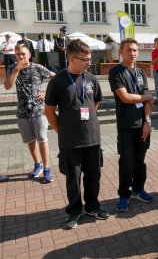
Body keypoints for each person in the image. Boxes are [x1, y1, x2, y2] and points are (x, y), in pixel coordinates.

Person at [45, 39, 109, 229]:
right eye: (86, 60)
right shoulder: (57, 81)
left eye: (90, 59)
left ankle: (92, 206)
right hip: (70, 142)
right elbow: (49, 111)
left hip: (92, 138)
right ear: (72, 58)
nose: (89, 63)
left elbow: (94, 104)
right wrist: (61, 131)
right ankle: (74, 211)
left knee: (93, 176)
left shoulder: (91, 78)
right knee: (73, 179)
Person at [108, 38, 155, 212]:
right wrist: (147, 97)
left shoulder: (141, 72)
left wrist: (147, 121)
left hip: (142, 125)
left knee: (140, 161)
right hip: (126, 125)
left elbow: (147, 100)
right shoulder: (116, 72)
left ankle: (138, 189)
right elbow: (125, 97)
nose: (133, 53)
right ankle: (124, 194)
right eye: (129, 50)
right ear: (121, 52)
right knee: (126, 162)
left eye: (135, 50)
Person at [4, 44, 56, 183]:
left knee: (42, 139)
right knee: (30, 141)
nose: (20, 56)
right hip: (22, 111)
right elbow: (7, 86)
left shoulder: (37, 67)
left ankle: (46, 168)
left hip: (39, 110)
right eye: (17, 54)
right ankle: (37, 165)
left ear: (29, 55)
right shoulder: (12, 68)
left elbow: (56, 78)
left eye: (23, 54)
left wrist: (46, 93)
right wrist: (16, 69)